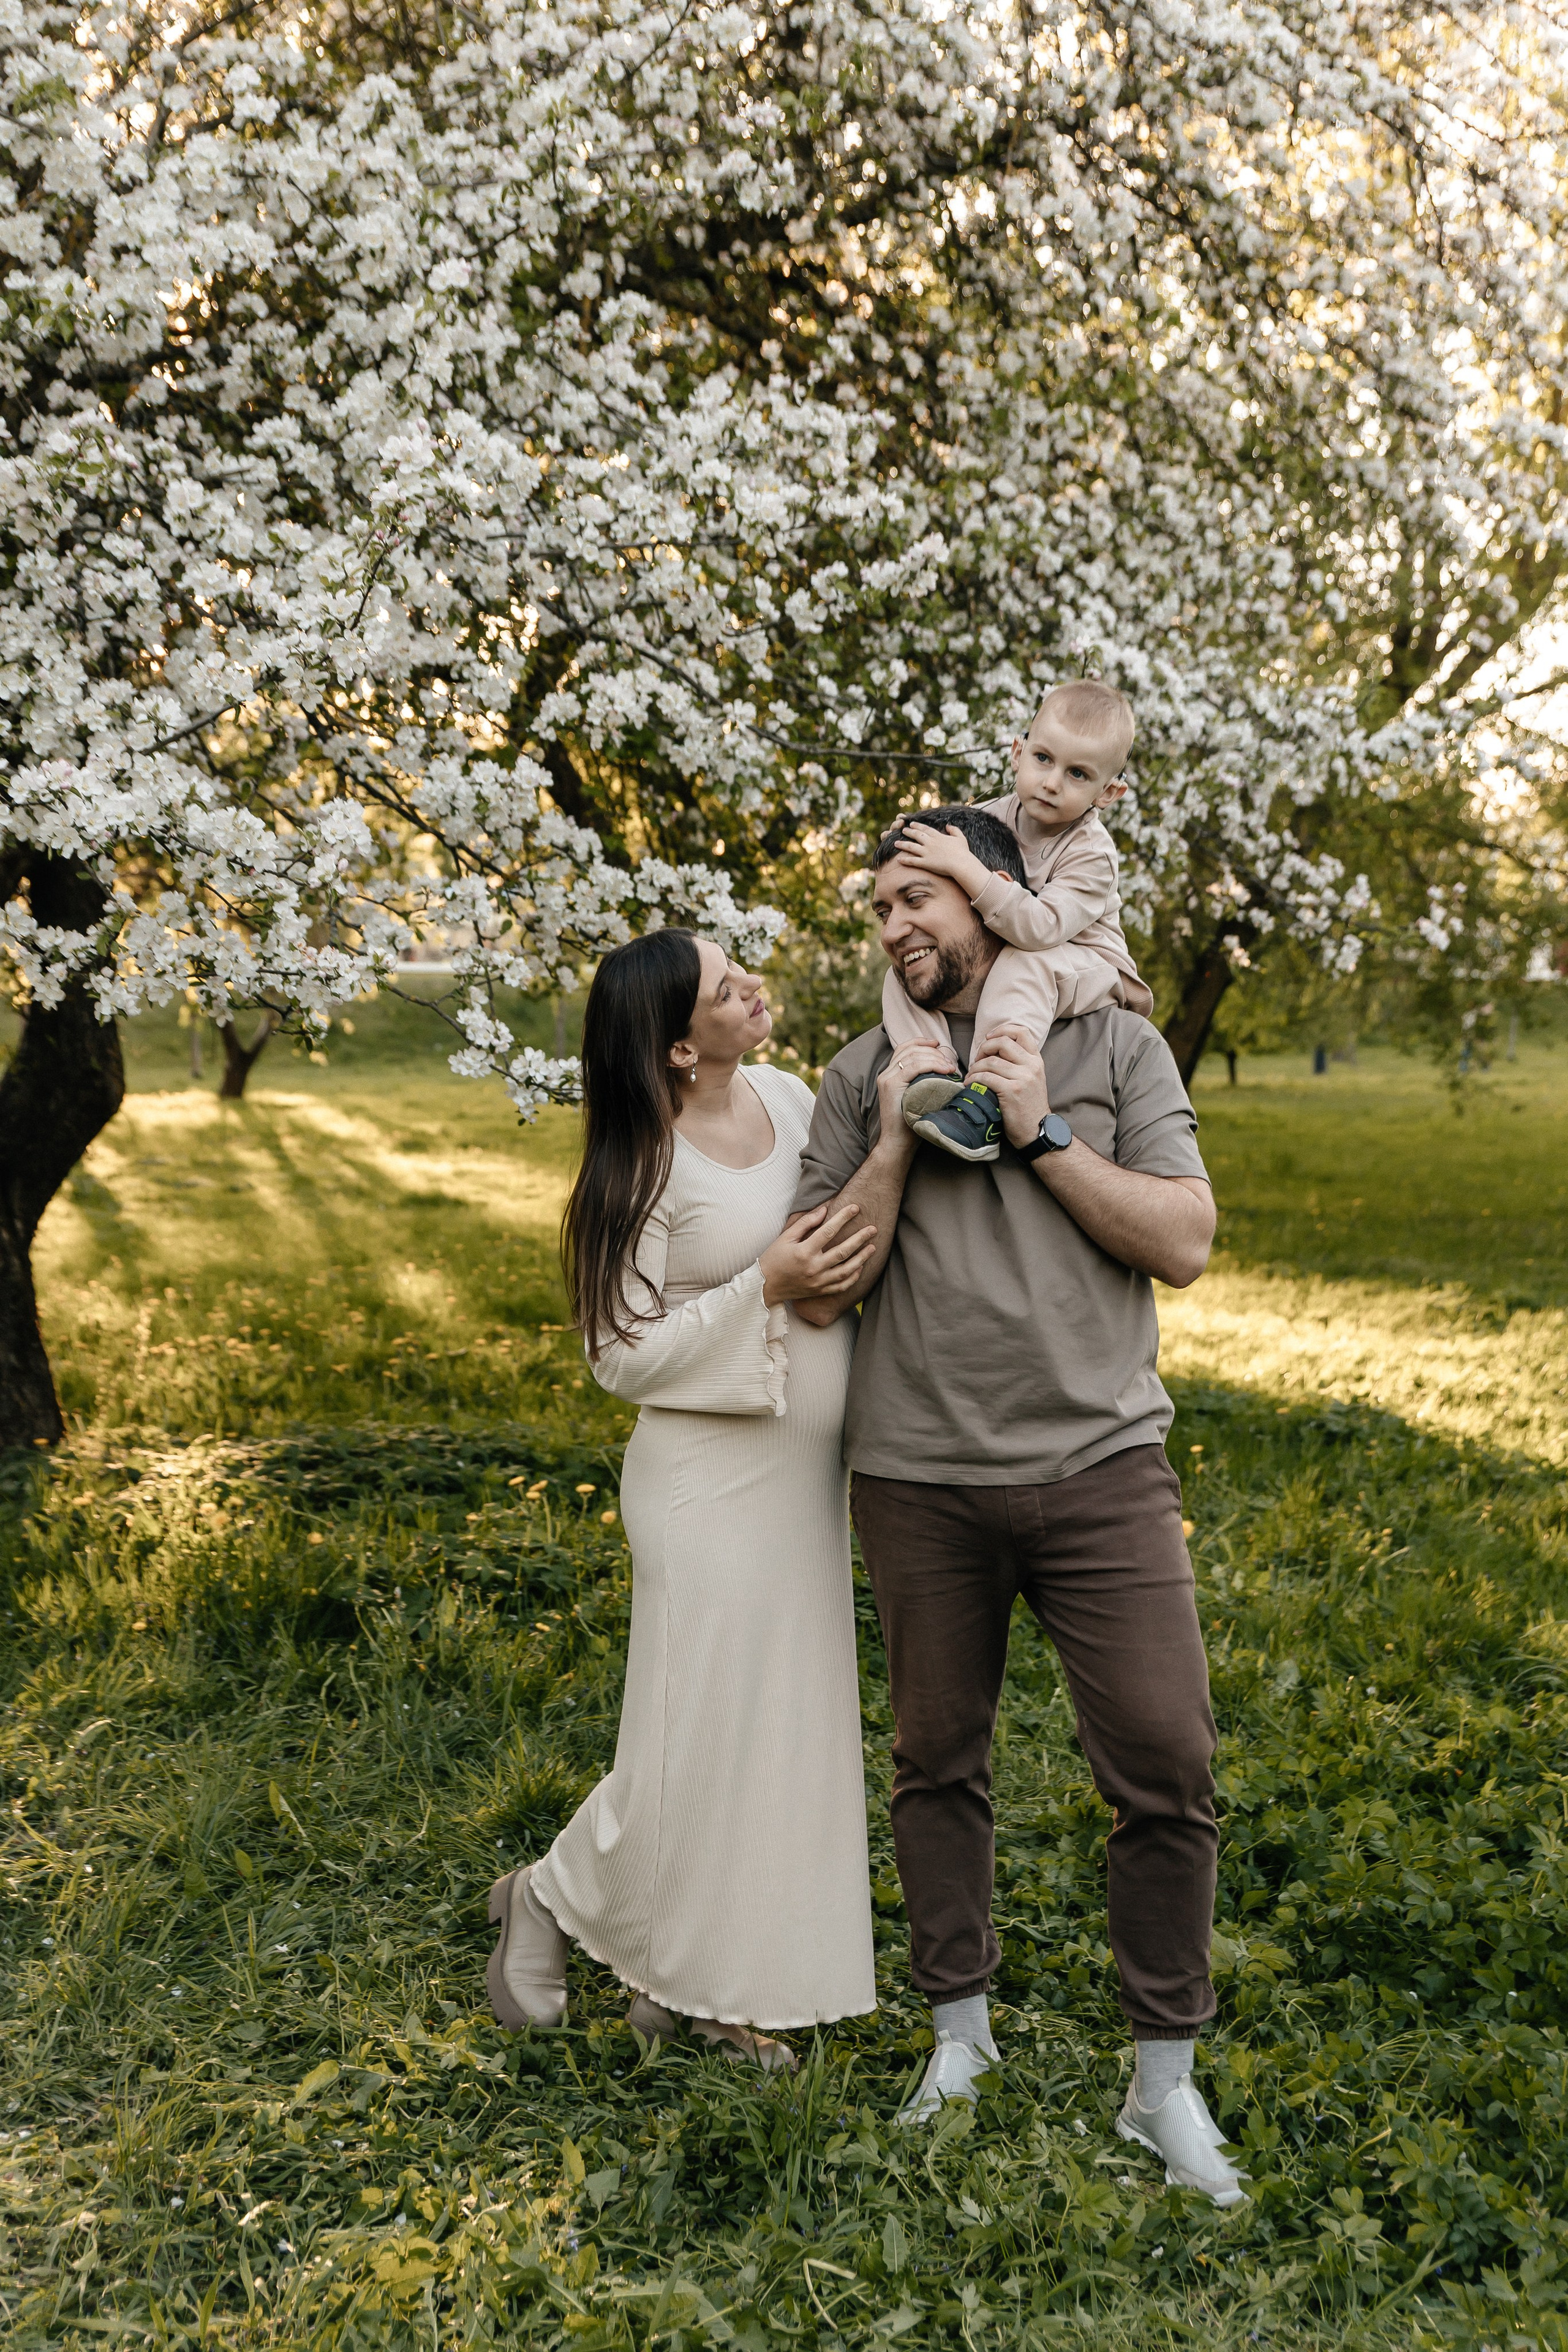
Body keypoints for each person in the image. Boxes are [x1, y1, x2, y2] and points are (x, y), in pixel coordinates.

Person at [790, 806, 1246, 2204]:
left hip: (1102, 1467)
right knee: (937, 1759)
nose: (892, 926)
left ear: (1001, 893)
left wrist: (1042, 1134)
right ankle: (959, 2038)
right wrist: (895, 1133)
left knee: (1164, 1763)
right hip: (918, 1476)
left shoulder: (1113, 1040)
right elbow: (813, 1276)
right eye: (878, 911)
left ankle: (1159, 2084)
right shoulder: (861, 1070)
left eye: (915, 895)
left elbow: (1181, 1236)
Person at [486, 929, 880, 2068]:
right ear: (674, 1047)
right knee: (697, 1743)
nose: (751, 982)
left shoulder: (794, 1097)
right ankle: (551, 1898)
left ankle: (703, 1991)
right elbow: (620, 1355)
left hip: (804, 1482)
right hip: (705, 1489)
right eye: (724, 987)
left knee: (778, 1739)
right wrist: (766, 1284)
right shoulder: (644, 1168)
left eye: (737, 963)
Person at [881, 679, 1153, 1164]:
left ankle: (984, 1099)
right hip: (1033, 952)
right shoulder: (995, 814)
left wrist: (966, 867)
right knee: (902, 973)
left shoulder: (1092, 854)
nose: (1051, 782)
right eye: (1044, 759)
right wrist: (910, 838)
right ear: (1017, 752)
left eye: (1077, 774)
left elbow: (1039, 928)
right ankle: (931, 1071)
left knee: (1026, 963)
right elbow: (952, 838)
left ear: (1108, 792)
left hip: (1089, 964)